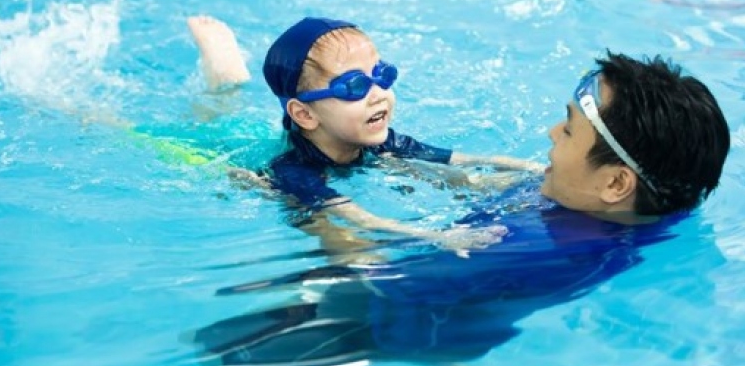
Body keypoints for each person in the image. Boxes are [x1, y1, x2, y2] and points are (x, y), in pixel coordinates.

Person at [184, 49, 732, 365]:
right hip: (420, 300)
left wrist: (310, 210)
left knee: (215, 348)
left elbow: (370, 272)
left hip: (378, 325)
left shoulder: (529, 251)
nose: (551, 133)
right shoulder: (619, 206)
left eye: (568, 129)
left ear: (614, 183)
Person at [188, 15, 540, 257]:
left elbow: (465, 160)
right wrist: (436, 236)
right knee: (213, 132)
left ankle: (227, 86)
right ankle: (224, 81)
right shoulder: (293, 170)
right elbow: (359, 217)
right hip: (232, 163)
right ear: (305, 114)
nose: (378, 94)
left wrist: (536, 170)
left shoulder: (381, 139)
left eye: (381, 75)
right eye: (354, 86)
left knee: (451, 176)